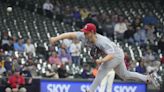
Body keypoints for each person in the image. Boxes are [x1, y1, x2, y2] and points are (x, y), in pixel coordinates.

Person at [50, 23, 160, 92]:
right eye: (84, 32)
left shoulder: (101, 41)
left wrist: (101, 60)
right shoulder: (83, 36)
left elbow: (111, 55)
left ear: (92, 32)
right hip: (113, 54)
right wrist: (56, 38)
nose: (84, 34)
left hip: (115, 55)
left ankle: (90, 90)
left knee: (102, 70)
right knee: (125, 75)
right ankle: (147, 78)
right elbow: (69, 34)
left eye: (87, 33)